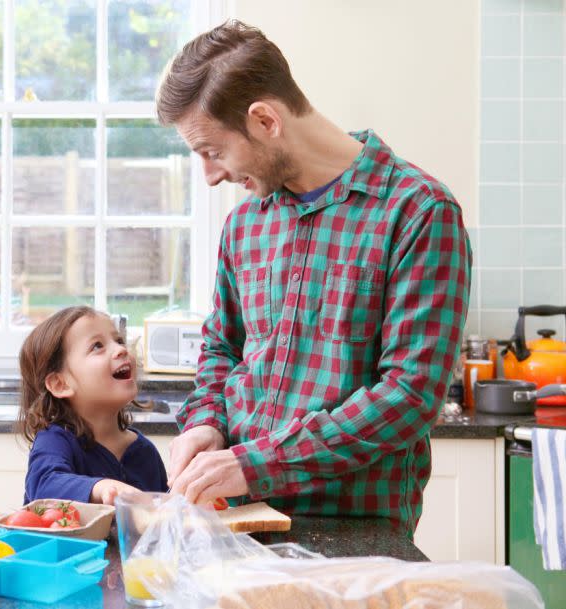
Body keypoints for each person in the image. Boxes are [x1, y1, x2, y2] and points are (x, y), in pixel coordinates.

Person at [157, 20, 471, 535]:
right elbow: (220, 347)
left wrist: (254, 466)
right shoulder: (245, 224)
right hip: (233, 521)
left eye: (213, 152)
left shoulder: (417, 211)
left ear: (264, 120)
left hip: (353, 529)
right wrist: (206, 422)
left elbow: (409, 395)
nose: (210, 176)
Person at [19, 306, 169, 505]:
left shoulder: (145, 452)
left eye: (119, 340)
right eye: (97, 346)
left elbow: (160, 520)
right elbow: (44, 485)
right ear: (60, 384)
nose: (121, 349)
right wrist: (102, 487)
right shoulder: (55, 441)